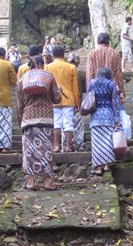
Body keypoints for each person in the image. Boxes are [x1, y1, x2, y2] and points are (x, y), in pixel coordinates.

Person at [17, 56, 62, 190]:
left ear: (29, 66)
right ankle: (48, 182)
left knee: (29, 152)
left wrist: (20, 120)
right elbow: (56, 99)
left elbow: (20, 105)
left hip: (28, 119)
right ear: (41, 65)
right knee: (46, 150)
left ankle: (31, 182)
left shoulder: (21, 81)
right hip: (46, 119)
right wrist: (60, 92)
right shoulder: (48, 78)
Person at [45, 45, 79, 152]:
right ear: (64, 54)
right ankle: (68, 146)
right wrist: (77, 102)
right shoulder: (71, 67)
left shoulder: (48, 67)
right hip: (68, 98)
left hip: (53, 99)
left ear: (52, 55)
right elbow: (75, 87)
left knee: (56, 123)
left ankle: (56, 146)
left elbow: (47, 85)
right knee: (68, 123)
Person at [88, 68, 121, 175]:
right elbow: (115, 102)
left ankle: (98, 167)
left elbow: (89, 98)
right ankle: (107, 165)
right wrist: (117, 118)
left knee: (97, 142)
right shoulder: (111, 84)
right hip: (108, 114)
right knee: (107, 141)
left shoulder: (92, 83)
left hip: (95, 115)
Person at [86, 32, 125, 98]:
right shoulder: (115, 53)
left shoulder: (92, 54)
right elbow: (118, 74)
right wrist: (121, 91)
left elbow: (90, 73)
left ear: (98, 41)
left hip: (97, 88)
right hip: (111, 88)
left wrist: (89, 90)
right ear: (108, 41)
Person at [67, 52, 85, 151]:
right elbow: (86, 89)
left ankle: (67, 144)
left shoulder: (65, 71)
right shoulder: (81, 73)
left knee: (66, 124)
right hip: (79, 102)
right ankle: (79, 145)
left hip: (65, 102)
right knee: (78, 125)